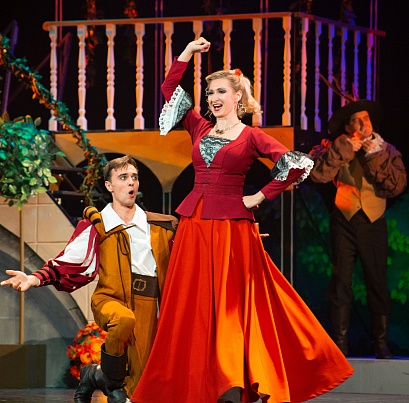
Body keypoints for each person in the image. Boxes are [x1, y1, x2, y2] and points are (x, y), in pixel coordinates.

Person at [131, 37, 353, 403]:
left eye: (220, 91)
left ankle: (235, 379)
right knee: (193, 303)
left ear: (238, 96)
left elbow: (294, 164)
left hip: (232, 228)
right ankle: (197, 382)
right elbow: (169, 89)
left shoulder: (251, 136)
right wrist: (187, 53)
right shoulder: (199, 127)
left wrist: (260, 195)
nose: (213, 98)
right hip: (195, 224)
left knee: (231, 305)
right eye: (209, 93)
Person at [1, 155, 178, 403]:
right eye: (123, 177)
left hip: (149, 302)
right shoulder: (98, 225)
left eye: (134, 177)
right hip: (110, 298)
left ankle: (94, 375)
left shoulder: (159, 226)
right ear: (109, 185)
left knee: (141, 383)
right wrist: (33, 278)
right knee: (123, 320)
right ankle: (113, 386)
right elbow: (69, 260)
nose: (131, 182)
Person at [309, 99, 407, 359]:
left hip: (373, 222)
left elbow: (397, 186)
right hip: (344, 220)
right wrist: (344, 149)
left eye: (366, 119)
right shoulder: (335, 146)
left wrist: (374, 154)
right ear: (347, 127)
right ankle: (340, 346)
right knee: (341, 283)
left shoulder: (386, 149)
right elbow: (316, 173)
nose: (364, 124)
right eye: (357, 120)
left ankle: (381, 344)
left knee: (377, 282)